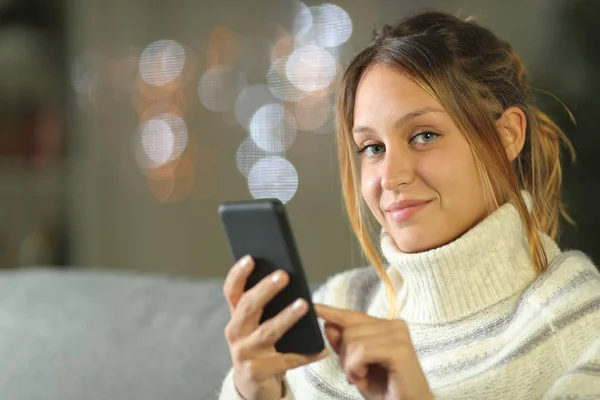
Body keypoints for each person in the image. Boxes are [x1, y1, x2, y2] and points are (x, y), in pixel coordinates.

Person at [219, 10, 600, 400]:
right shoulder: (335, 307)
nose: (390, 175)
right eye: (373, 147)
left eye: (424, 135)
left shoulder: (578, 320)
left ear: (507, 136)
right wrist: (252, 394)